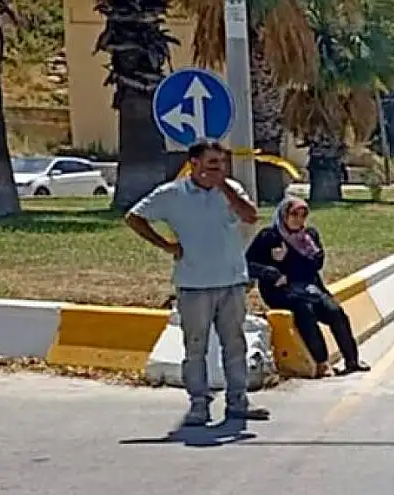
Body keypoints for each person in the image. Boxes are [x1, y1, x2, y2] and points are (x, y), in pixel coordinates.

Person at [124, 140, 270, 426]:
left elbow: (251, 216)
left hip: (230, 281)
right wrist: (166, 245)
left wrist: (224, 187)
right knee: (195, 347)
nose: (218, 168)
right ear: (195, 163)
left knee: (234, 344)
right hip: (193, 284)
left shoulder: (232, 190)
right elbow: (134, 217)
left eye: (222, 163)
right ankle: (198, 404)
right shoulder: (172, 194)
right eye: (212, 163)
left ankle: (238, 401)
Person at [246, 196, 371, 377]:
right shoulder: (269, 237)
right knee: (305, 311)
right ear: (283, 215)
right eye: (294, 214)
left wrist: (305, 253)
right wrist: (272, 272)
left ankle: (352, 360)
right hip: (280, 291)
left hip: (309, 287)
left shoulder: (309, 236)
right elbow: (248, 264)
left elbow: (316, 264)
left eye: (303, 214)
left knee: (335, 311)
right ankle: (322, 363)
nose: (299, 219)